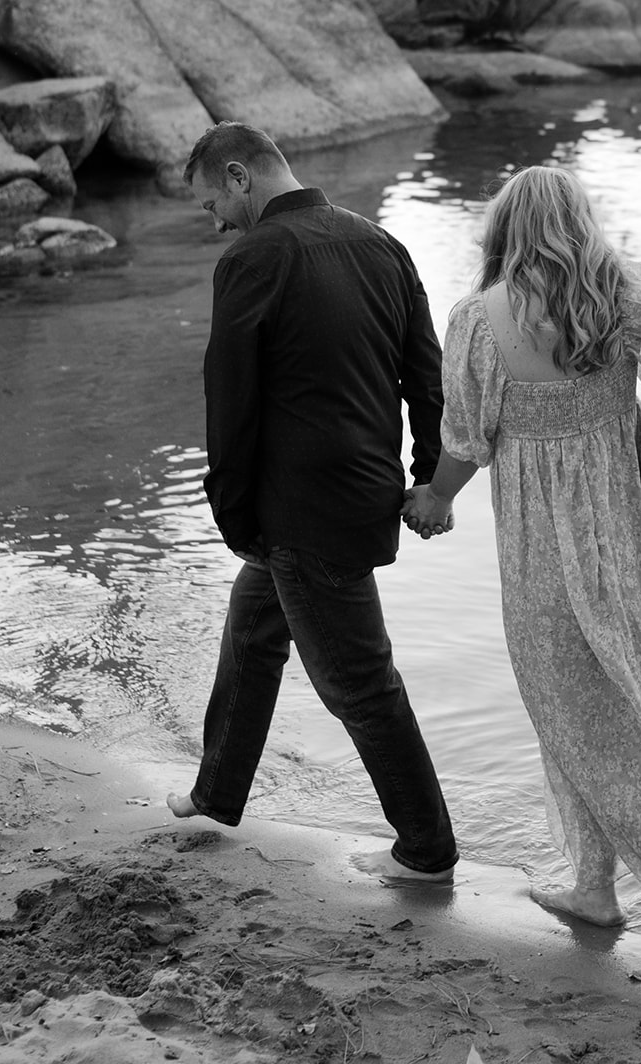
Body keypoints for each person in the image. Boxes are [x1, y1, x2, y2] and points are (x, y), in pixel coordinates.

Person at [403, 166, 641, 962]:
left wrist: (435, 501)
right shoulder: (625, 289)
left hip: (541, 550)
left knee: (574, 707)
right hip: (631, 536)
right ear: (578, 221)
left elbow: (465, 441)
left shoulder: (480, 321)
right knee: (638, 692)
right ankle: (593, 887)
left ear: (502, 231)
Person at [166, 121, 457, 885]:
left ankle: (426, 851)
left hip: (299, 509)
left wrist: (231, 514)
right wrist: (427, 476)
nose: (216, 221)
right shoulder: (381, 244)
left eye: (211, 204)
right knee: (255, 628)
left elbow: (229, 404)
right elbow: (426, 378)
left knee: (357, 683)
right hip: (361, 493)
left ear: (240, 177)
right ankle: (217, 792)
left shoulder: (254, 257)